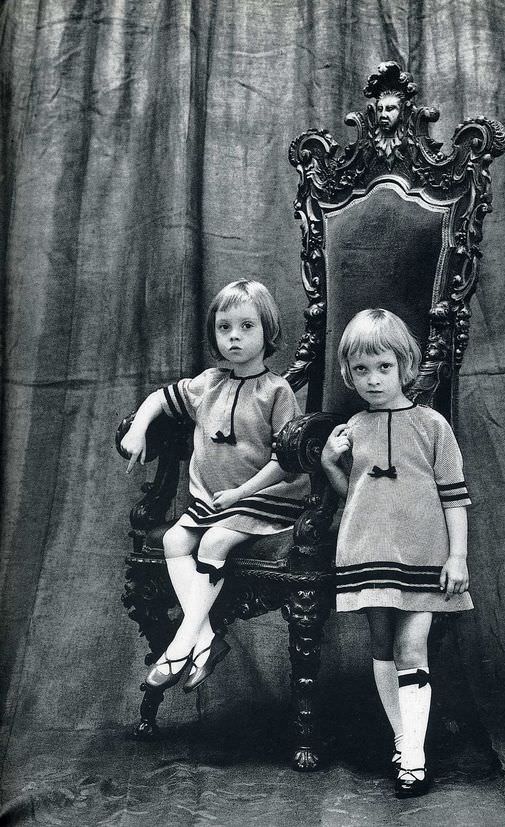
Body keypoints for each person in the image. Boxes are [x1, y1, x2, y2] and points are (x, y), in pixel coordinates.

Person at [121, 279, 308, 693]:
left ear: (268, 332)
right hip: (212, 499)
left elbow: (286, 462)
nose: (234, 337)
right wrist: (138, 428)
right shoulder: (208, 383)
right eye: (225, 328)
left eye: (246, 326)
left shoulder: (276, 392)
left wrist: (242, 494)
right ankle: (205, 641)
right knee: (173, 541)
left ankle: (182, 644)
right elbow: (159, 398)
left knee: (213, 544)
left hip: (264, 497)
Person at [321, 308, 472, 799]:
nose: (373, 379)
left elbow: (454, 498)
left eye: (383, 367)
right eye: (361, 370)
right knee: (383, 648)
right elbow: (355, 496)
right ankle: (403, 740)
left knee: (413, 648)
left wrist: (458, 557)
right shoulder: (354, 428)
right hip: (367, 552)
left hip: (424, 556)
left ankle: (414, 756)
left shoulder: (432, 426)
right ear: (349, 372)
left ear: (405, 365)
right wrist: (329, 462)